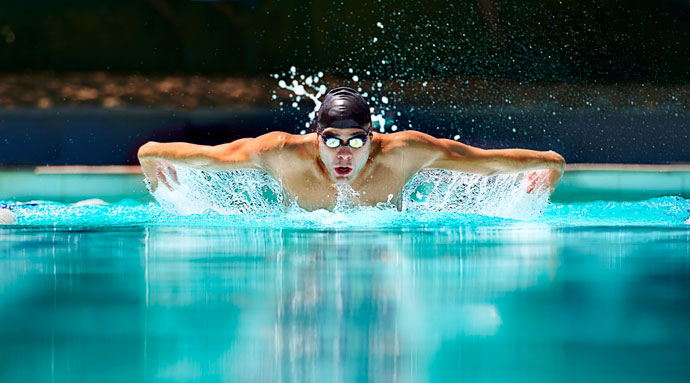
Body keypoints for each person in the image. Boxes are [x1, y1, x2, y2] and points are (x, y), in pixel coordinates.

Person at [138, 87, 565, 211]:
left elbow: (485, 164)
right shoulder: (282, 152)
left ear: (372, 137)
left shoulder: (403, 151)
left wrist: (551, 166)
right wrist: (151, 156)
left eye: (357, 141)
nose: (345, 154)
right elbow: (209, 158)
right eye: (333, 141)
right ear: (316, 135)